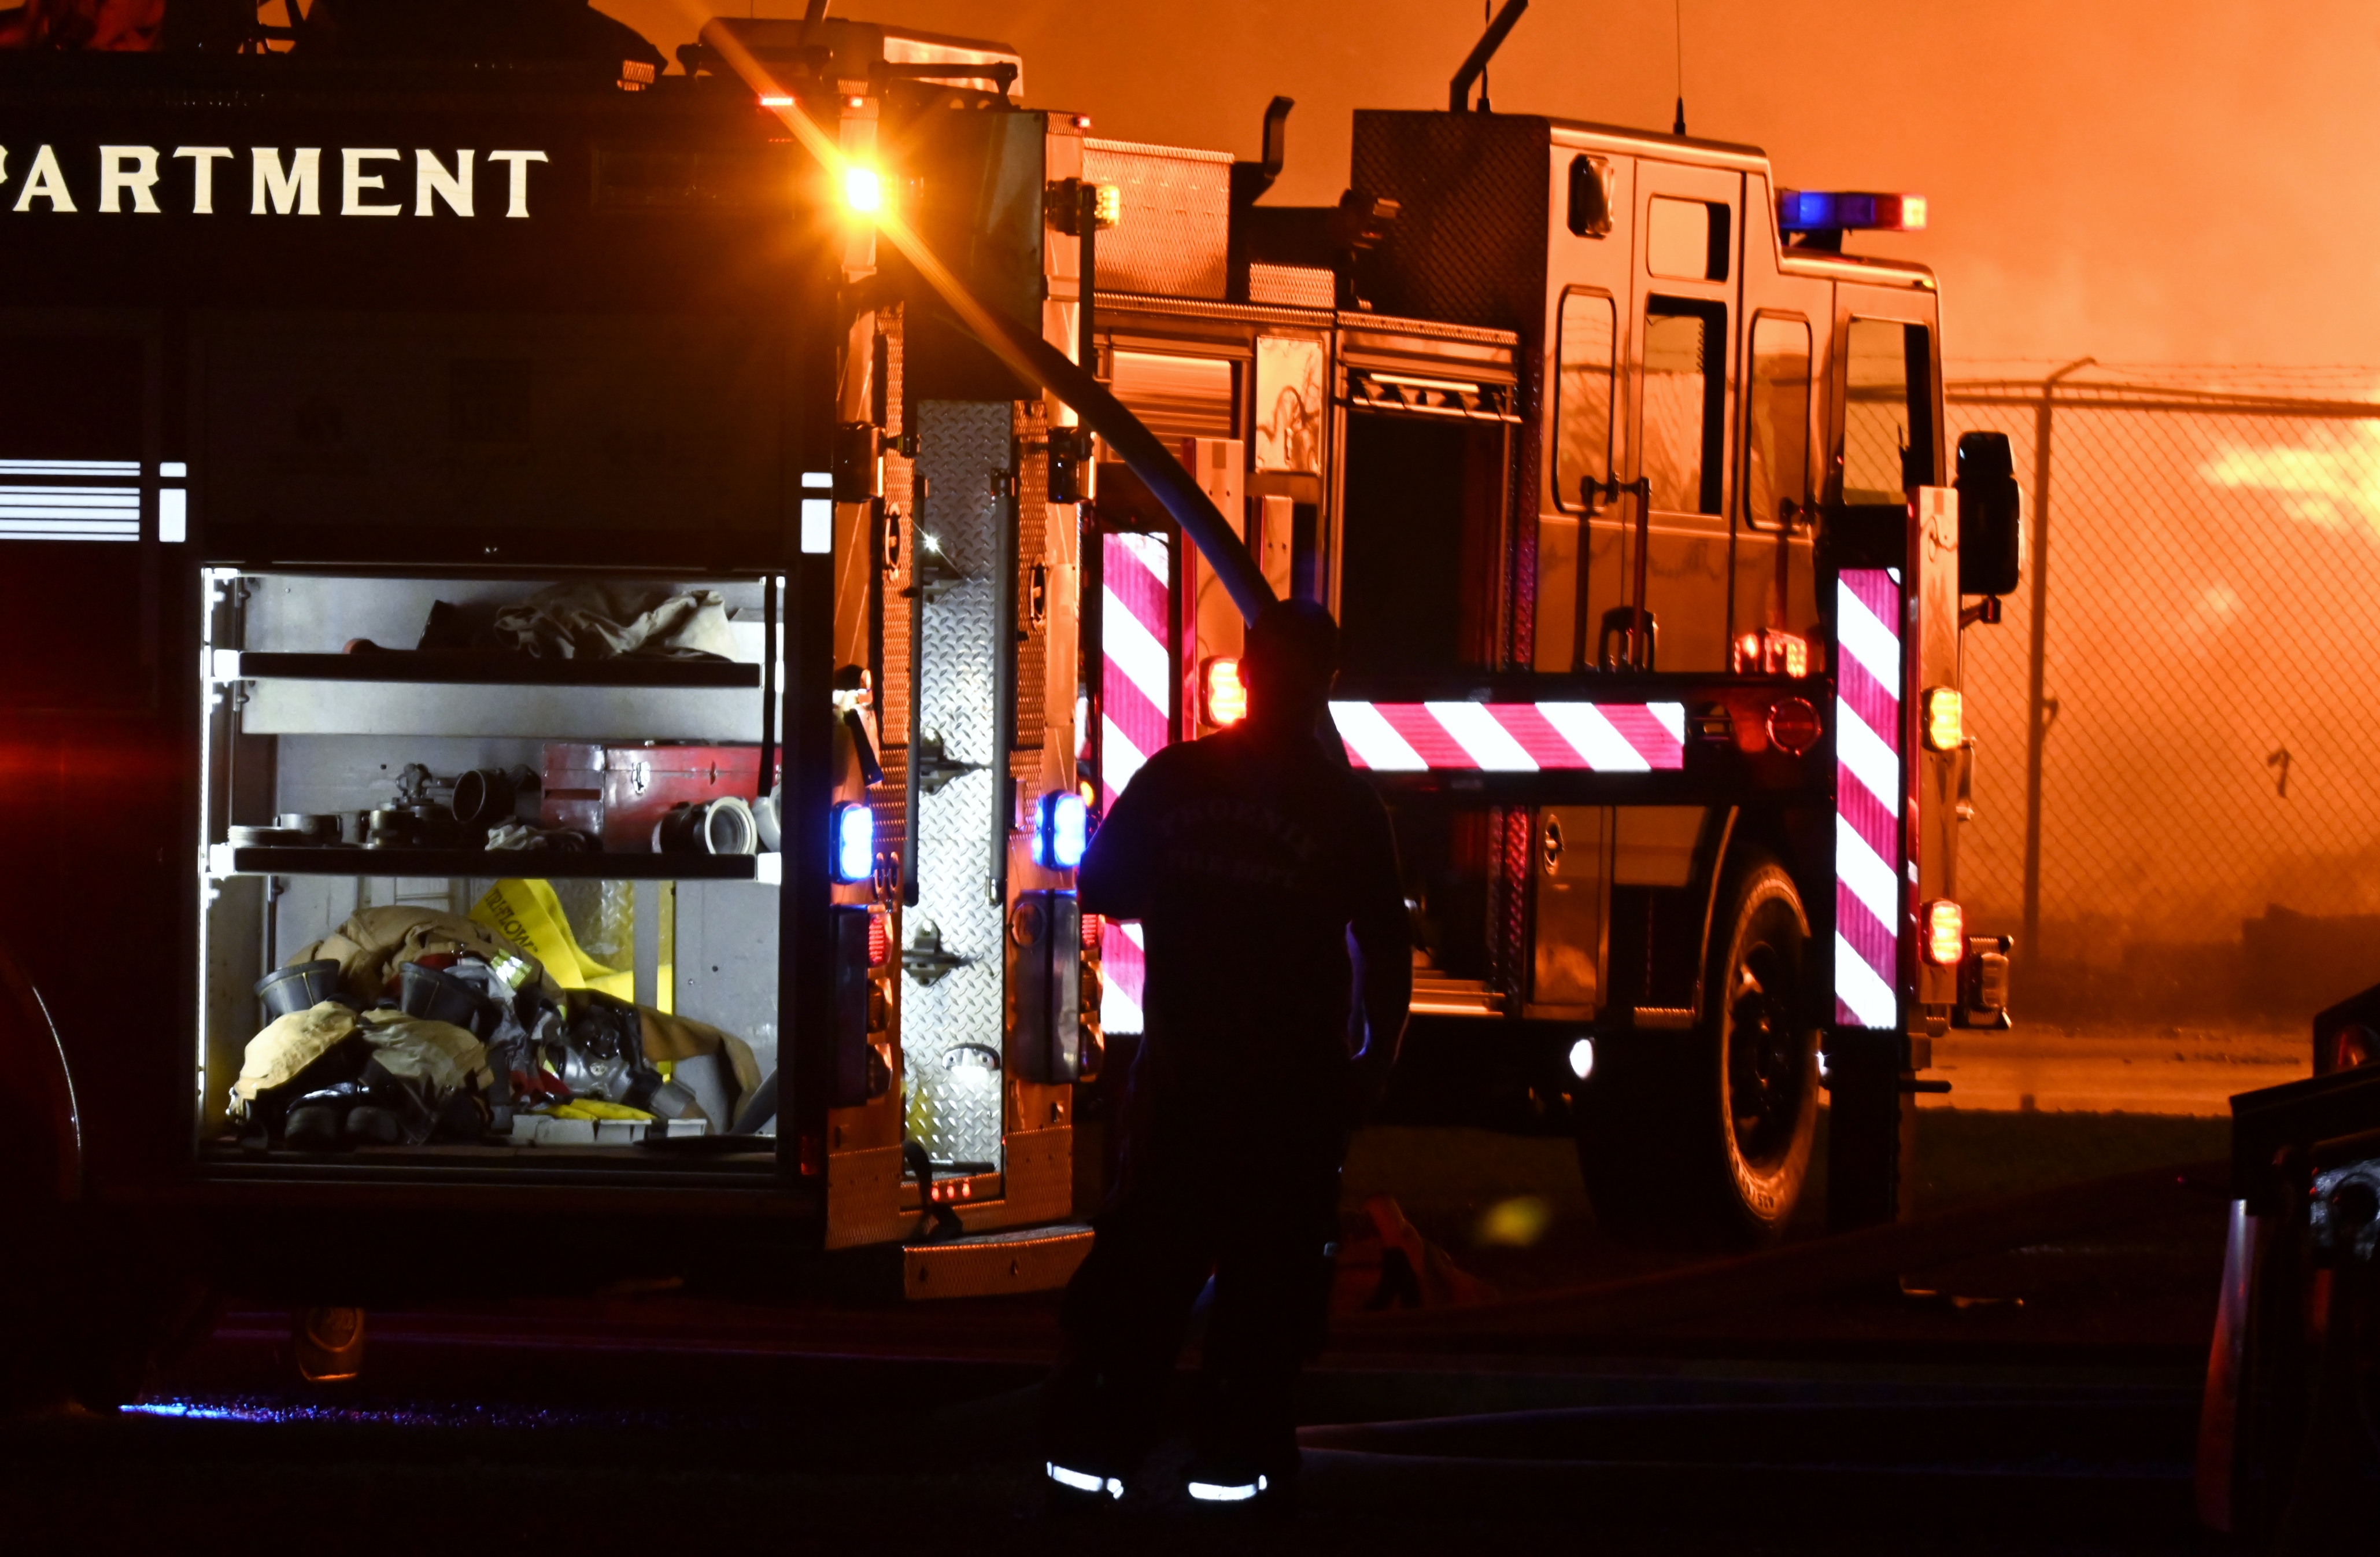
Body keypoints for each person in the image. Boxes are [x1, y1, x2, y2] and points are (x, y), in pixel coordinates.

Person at [1043, 597, 1411, 1510]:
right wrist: (1370, 1068)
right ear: (1325, 684)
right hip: (1293, 1100)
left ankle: (1093, 1465)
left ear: (1248, 672)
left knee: (1144, 1279)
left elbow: (1102, 884)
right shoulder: (1345, 806)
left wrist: (1194, 891)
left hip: (1184, 1089)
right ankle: (1235, 1477)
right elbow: (1387, 950)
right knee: (1268, 1295)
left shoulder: (1177, 780)